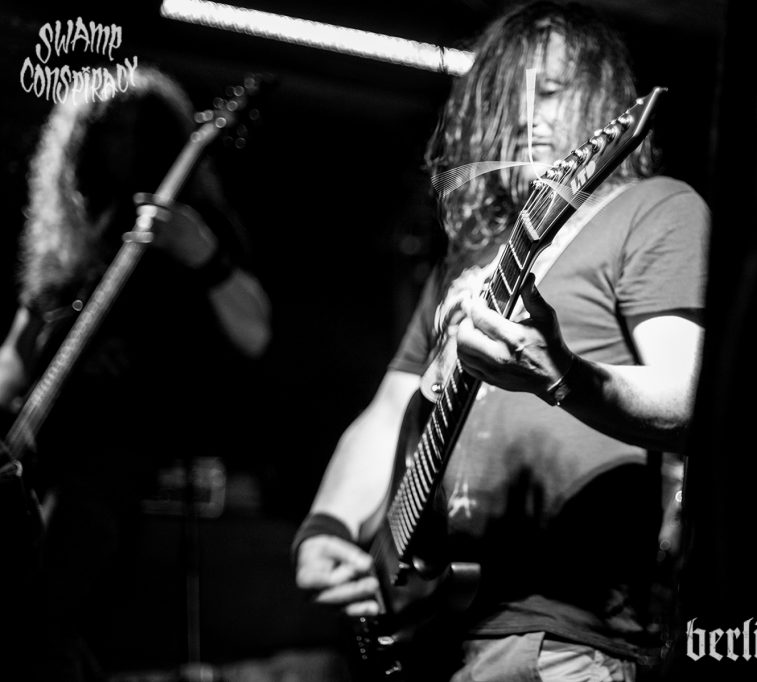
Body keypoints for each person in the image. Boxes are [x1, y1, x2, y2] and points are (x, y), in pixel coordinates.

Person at [293, 2, 707, 680]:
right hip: (432, 632)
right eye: (508, 97)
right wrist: (328, 527)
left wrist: (562, 373)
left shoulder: (654, 208)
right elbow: (388, 412)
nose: (525, 116)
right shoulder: (467, 261)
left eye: (551, 90)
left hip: (559, 639)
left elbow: (691, 399)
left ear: (600, 97)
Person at [0, 66, 271, 680]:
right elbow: (16, 354)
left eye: (137, 130)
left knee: (49, 589)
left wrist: (201, 253)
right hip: (44, 453)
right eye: (107, 130)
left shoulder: (194, 222)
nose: (122, 144)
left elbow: (255, 332)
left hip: (128, 456)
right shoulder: (71, 238)